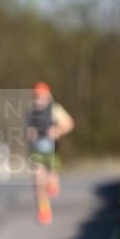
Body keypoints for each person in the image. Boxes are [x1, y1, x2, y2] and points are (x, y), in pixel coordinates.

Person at [25, 82, 75, 225]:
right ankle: (44, 210)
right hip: (36, 151)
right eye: (35, 96)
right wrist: (30, 134)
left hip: (52, 150)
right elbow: (27, 130)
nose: (37, 100)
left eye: (40, 96)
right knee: (38, 179)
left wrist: (57, 130)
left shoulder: (55, 109)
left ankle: (53, 182)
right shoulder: (31, 112)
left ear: (47, 97)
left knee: (50, 178)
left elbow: (69, 123)